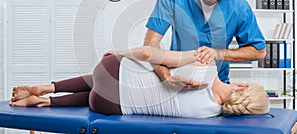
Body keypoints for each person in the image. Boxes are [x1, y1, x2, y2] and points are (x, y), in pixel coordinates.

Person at [10, 46, 270, 118]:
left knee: (112, 75)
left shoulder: (205, 64)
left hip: (108, 73)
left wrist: (117, 52)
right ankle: (44, 101)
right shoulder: (208, 115)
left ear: (243, 86)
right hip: (106, 106)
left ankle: (48, 87)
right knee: (111, 90)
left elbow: (147, 53)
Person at [144, 0, 266, 88]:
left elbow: (259, 51)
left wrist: (217, 54)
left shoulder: (240, 7)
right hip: (178, 81)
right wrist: (166, 77)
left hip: (216, 86)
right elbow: (151, 44)